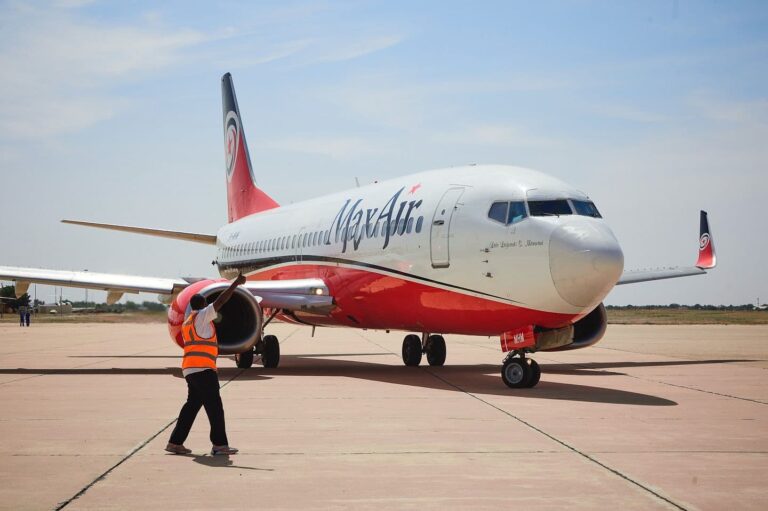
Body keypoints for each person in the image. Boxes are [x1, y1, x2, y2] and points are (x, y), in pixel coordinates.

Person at [166, 273, 246, 456]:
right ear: (202, 306)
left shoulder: (188, 322)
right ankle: (219, 445)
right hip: (203, 370)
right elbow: (220, 301)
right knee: (215, 407)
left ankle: (175, 442)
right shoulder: (202, 317)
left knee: (192, 405)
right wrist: (236, 284)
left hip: (190, 370)